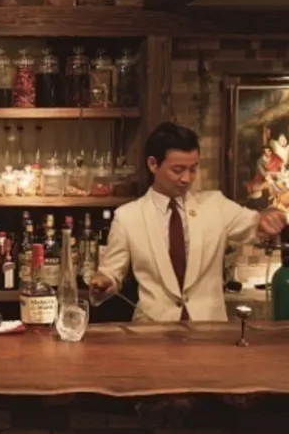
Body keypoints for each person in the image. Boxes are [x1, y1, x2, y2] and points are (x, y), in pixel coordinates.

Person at [89, 122, 287, 322]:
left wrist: (269, 215)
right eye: (178, 170)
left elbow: (254, 222)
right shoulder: (128, 217)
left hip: (209, 331)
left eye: (193, 169)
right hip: (152, 331)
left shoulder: (215, 204)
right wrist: (103, 282)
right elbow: (111, 273)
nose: (186, 178)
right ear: (153, 164)